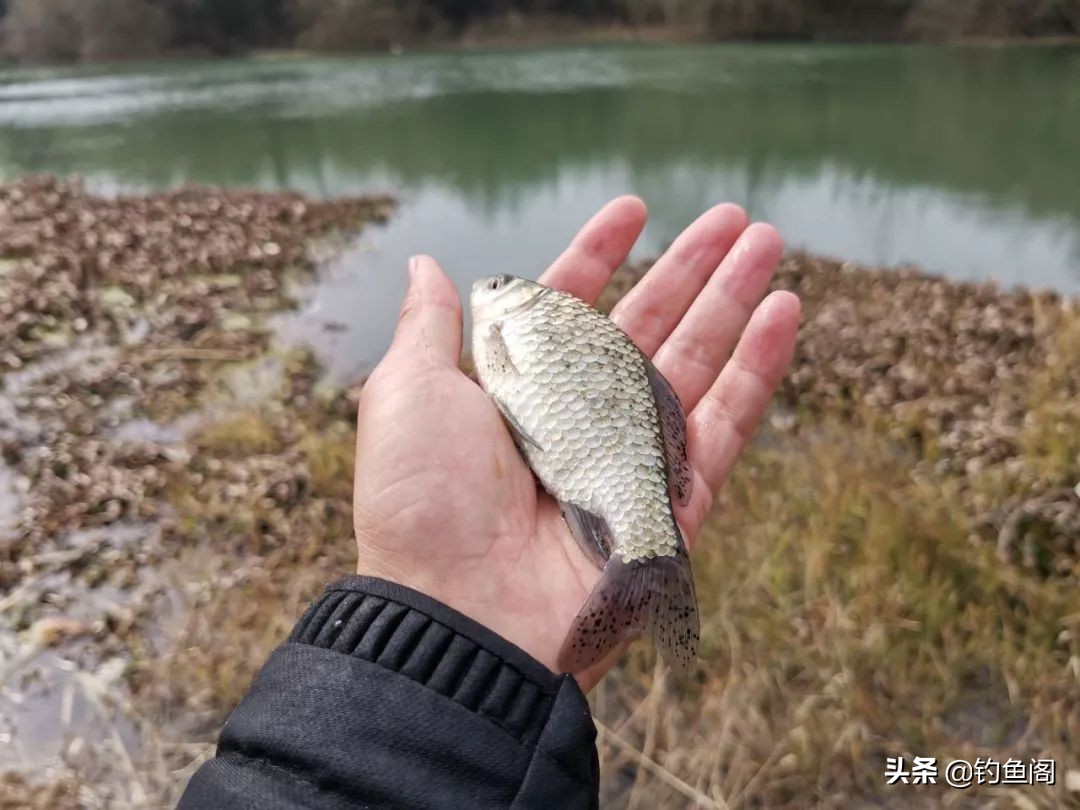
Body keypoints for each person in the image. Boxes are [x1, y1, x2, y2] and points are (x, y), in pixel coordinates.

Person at [177, 197, 800, 809]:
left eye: (496, 285)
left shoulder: (514, 323)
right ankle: (642, 569)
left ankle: (644, 563)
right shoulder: (540, 325)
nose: (486, 289)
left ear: (508, 296)